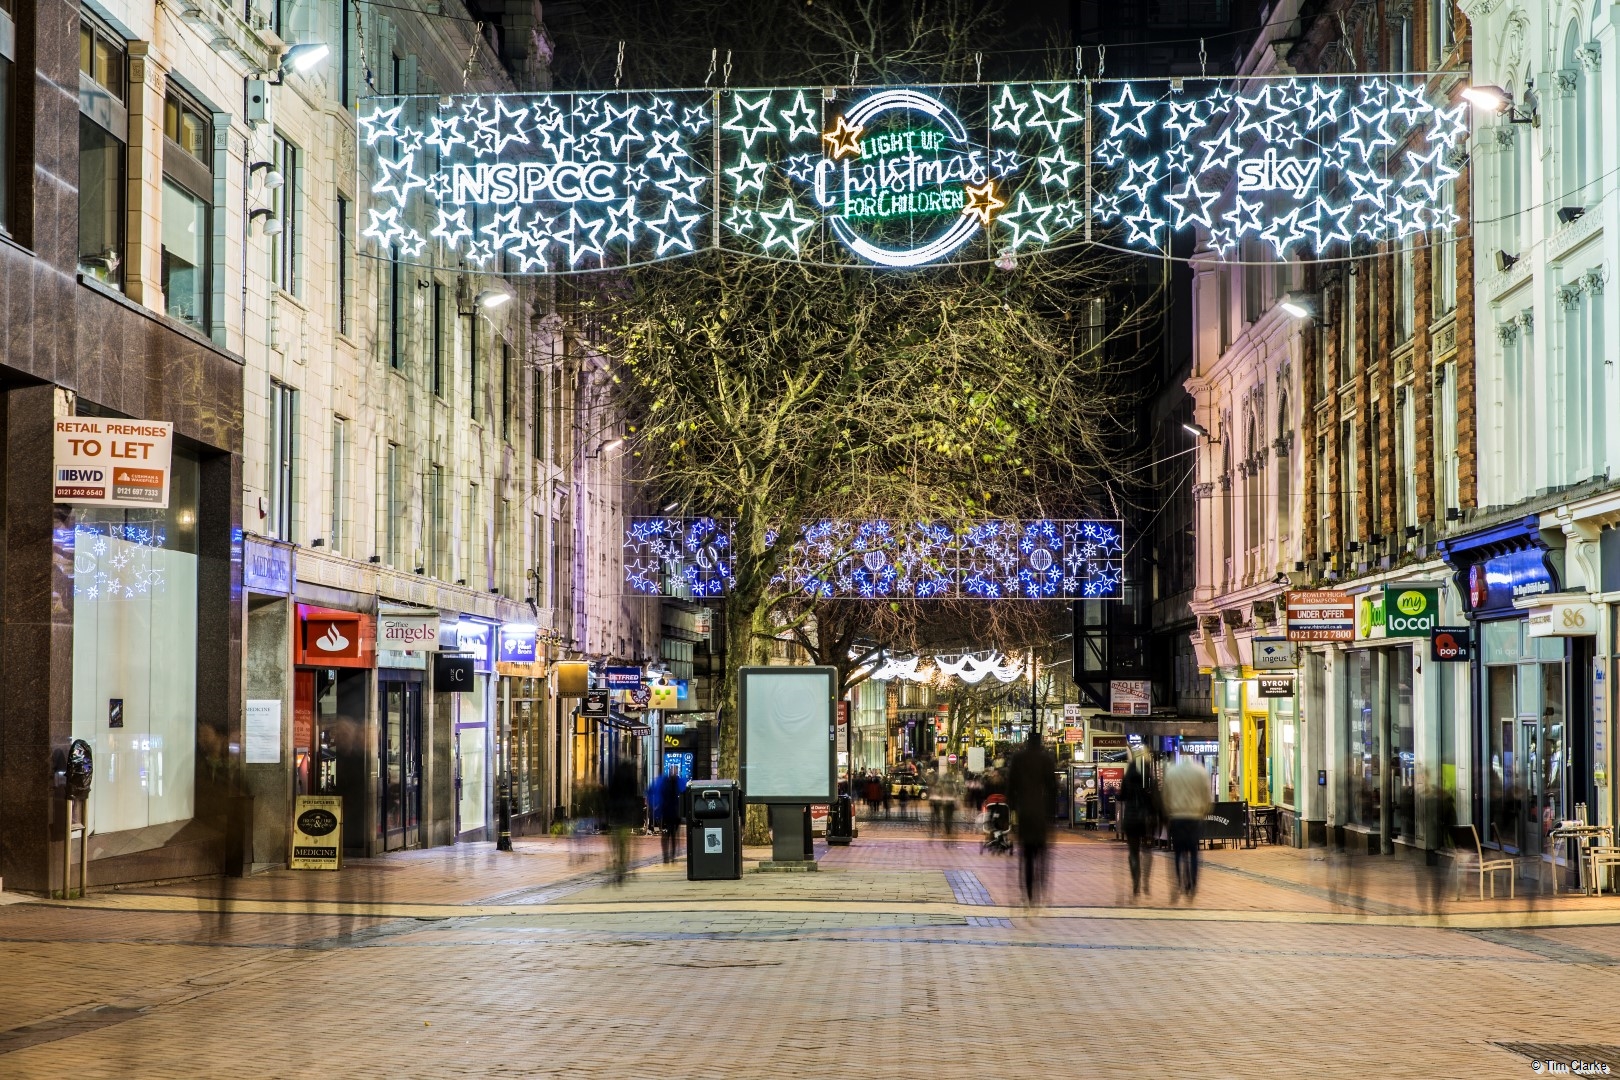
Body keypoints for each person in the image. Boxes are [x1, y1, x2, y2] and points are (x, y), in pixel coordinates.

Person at [1006, 730, 1059, 904]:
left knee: (1027, 855)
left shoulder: (1018, 759)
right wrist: (1052, 813)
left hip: (1025, 813)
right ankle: (1040, 887)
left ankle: (1028, 892)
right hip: (1040, 813)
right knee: (1041, 853)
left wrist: (1013, 809)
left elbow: (1010, 786)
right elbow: (1052, 789)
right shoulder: (1046, 760)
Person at [1161, 752, 1212, 900]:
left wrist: (1169, 812)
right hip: (1195, 817)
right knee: (1194, 852)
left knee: (1177, 853)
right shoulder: (1201, 772)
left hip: (1177, 817)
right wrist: (1203, 812)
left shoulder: (1172, 773)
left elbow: (1166, 797)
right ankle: (1193, 884)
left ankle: (1178, 883)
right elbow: (1207, 796)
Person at [1120, 746, 1158, 897]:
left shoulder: (1128, 776)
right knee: (1147, 852)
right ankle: (1146, 882)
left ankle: (1136, 881)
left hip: (1130, 820)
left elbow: (1122, 796)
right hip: (1146, 820)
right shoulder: (1149, 777)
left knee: (1133, 853)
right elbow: (1155, 800)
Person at [654, 766, 685, 864]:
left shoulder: (667, 783)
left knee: (668, 835)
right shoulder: (676, 784)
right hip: (672, 812)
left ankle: (668, 856)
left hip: (669, 812)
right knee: (671, 835)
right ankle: (670, 856)